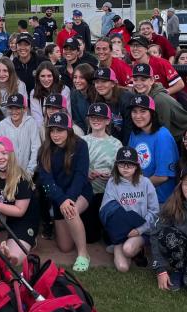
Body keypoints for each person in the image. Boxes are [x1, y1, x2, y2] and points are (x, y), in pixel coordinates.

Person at [38, 112, 92, 272]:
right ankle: (73, 228)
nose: (55, 135)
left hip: (80, 192)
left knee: (71, 211)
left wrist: (68, 199)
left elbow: (81, 175)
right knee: (65, 247)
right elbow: (46, 181)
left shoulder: (80, 145)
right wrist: (61, 199)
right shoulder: (44, 150)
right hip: (58, 197)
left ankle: (83, 254)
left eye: (60, 130)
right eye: (52, 130)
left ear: (69, 130)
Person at [0, 136, 39, 265]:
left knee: (13, 260)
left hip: (23, 220)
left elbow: (20, 211)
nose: (0, 157)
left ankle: (27, 241)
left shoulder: (22, 177)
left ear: (11, 155)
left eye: (4, 153)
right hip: (3, 216)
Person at [100, 146, 159, 273]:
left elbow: (155, 211)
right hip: (121, 231)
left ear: (137, 166)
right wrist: (119, 230)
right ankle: (117, 244)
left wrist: (139, 230)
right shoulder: (112, 182)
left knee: (128, 249)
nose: (126, 168)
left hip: (141, 230)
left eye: (130, 165)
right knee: (122, 267)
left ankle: (137, 248)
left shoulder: (146, 183)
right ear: (116, 165)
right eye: (122, 164)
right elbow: (106, 210)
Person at [81, 103, 122, 243]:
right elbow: (74, 167)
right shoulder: (82, 141)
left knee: (110, 238)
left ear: (108, 120)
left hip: (108, 194)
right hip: (87, 193)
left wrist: (112, 175)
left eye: (100, 117)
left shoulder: (116, 144)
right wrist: (86, 173)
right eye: (93, 117)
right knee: (90, 238)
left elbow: (122, 171)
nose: (96, 120)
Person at [128, 94, 179, 205]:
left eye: (143, 111)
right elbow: (130, 163)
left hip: (160, 201)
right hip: (140, 198)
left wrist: (134, 190)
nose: (138, 116)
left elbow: (162, 177)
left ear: (152, 113)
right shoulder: (135, 133)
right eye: (134, 111)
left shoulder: (162, 135)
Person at [151, 168, 187, 291]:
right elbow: (155, 235)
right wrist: (160, 269)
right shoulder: (172, 203)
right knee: (167, 234)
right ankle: (178, 270)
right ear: (181, 184)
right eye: (186, 183)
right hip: (181, 251)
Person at [132, 63, 187, 143]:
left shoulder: (159, 99)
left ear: (151, 80)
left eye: (143, 80)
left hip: (180, 136)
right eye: (135, 79)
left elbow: (164, 132)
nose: (139, 83)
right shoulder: (142, 94)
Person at [0, 93, 40, 176]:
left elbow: (36, 147)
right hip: (8, 172)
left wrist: (30, 171)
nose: (14, 112)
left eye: (17, 108)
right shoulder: (2, 125)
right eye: (11, 108)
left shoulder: (31, 122)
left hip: (28, 173)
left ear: (24, 109)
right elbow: (1, 150)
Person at [93, 67, 134, 145]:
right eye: (97, 82)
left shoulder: (126, 99)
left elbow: (129, 129)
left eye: (104, 81)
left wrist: (122, 148)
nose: (100, 85)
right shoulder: (98, 101)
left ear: (113, 83)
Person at [30, 60, 71, 128]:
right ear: (38, 77)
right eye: (42, 76)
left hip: (62, 126)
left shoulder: (63, 90)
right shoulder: (34, 92)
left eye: (49, 76)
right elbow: (37, 119)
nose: (46, 79)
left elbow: (66, 114)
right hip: (44, 128)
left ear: (54, 76)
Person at [70, 64, 97, 133]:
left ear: (88, 79)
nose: (77, 81)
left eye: (81, 78)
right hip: (83, 132)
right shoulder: (74, 94)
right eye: (75, 77)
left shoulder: (97, 94)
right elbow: (77, 119)